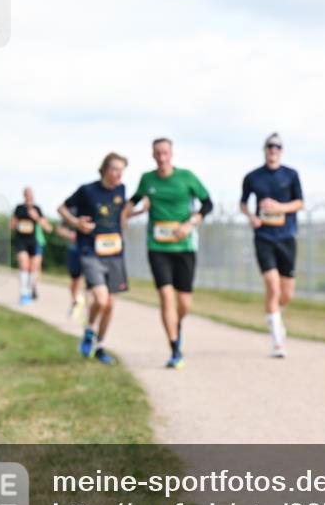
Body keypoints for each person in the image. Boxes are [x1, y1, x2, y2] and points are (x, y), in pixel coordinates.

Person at [124, 138, 213, 369]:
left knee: (184, 304)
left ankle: (176, 325)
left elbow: (207, 203)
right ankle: (174, 348)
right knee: (165, 297)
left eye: (165, 153)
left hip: (184, 247)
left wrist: (190, 223)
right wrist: (126, 215)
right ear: (152, 155)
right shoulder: (147, 179)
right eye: (157, 154)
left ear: (171, 154)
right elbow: (131, 202)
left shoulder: (187, 177)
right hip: (157, 247)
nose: (161, 158)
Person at [58, 153, 130, 366]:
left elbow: (118, 217)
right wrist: (75, 222)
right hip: (91, 251)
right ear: (105, 170)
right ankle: (90, 328)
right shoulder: (87, 190)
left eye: (122, 170)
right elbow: (61, 208)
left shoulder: (121, 190)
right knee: (101, 299)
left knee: (109, 305)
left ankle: (99, 346)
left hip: (115, 254)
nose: (118, 174)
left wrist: (137, 212)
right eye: (115, 169)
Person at [239, 133, 304, 358]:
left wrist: (279, 207)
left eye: (277, 146)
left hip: (286, 237)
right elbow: (243, 203)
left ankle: (276, 318)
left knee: (286, 295)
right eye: (269, 146)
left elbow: (300, 203)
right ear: (264, 149)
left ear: (281, 150)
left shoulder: (291, 174)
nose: (273, 150)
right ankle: (278, 341)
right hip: (263, 237)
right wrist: (251, 217)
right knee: (272, 286)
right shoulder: (253, 177)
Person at [11, 187, 52, 305]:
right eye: (27, 194)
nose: (29, 196)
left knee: (33, 268)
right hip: (21, 240)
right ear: (24, 195)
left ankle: (29, 291)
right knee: (24, 265)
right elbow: (12, 225)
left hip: (33, 241)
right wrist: (17, 224)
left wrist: (36, 217)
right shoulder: (19, 208)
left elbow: (48, 227)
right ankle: (23, 292)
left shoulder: (37, 209)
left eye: (31, 194)